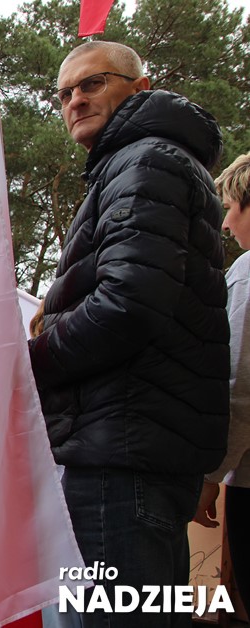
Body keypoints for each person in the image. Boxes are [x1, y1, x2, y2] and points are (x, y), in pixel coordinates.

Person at [28, 41, 229, 627]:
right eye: (64, 93)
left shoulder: (146, 161)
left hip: (121, 455)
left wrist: (28, 360)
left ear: (140, 88)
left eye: (93, 83)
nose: (75, 100)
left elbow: (127, 306)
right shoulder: (142, 162)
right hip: (132, 447)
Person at [193, 153, 250, 608]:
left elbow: (239, 387)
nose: (226, 225)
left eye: (230, 209)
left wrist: (211, 475)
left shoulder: (247, 274)